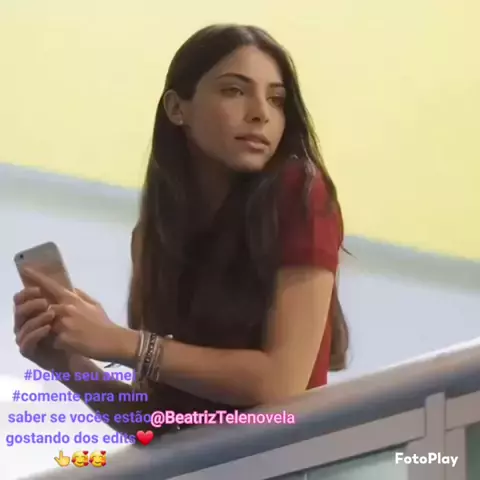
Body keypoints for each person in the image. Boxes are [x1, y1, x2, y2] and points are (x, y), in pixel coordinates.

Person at [13, 24, 349, 438]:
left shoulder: (301, 193)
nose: (261, 113)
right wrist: (68, 364)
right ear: (177, 108)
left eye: (277, 99)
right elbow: (155, 421)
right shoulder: (152, 235)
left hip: (288, 459)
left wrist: (123, 342)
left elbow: (281, 383)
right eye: (234, 91)